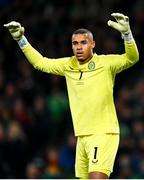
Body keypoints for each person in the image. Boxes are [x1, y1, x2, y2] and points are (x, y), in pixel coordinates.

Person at [4, 13, 139, 179]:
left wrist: (127, 34)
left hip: (103, 133)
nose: (79, 47)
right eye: (75, 43)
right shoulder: (68, 65)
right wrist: (21, 40)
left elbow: (132, 58)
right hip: (81, 136)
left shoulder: (106, 63)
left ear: (93, 44)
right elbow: (40, 63)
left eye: (83, 42)